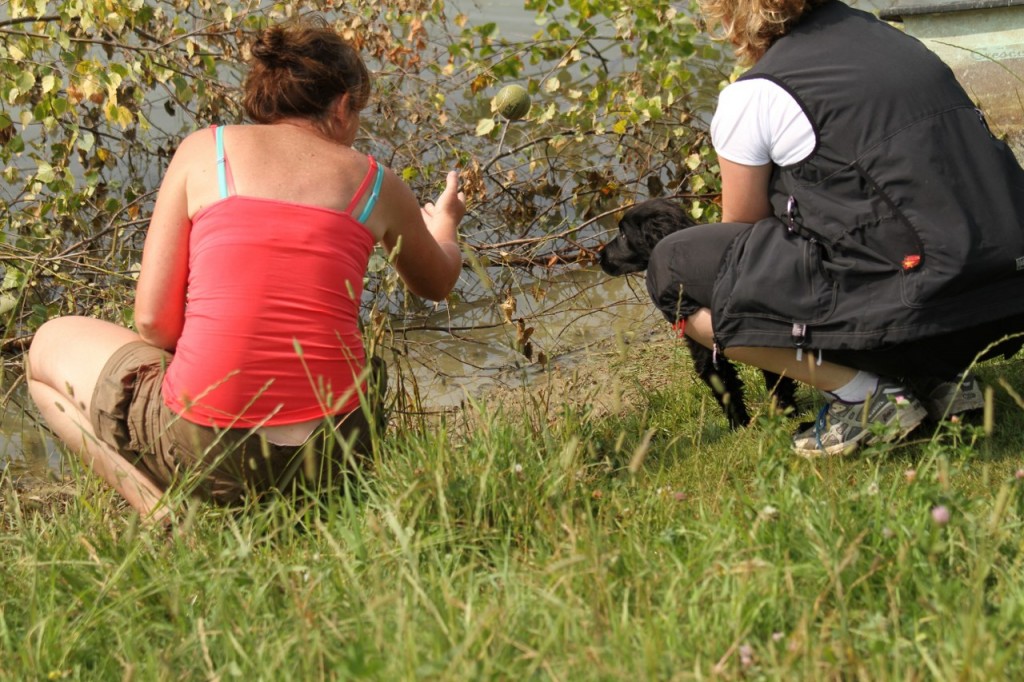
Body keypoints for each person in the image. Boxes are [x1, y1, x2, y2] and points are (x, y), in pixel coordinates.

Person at [26, 15, 465, 523]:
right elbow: (437, 282)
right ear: (343, 106)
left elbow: (152, 324)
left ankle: (157, 510)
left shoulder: (204, 152)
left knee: (46, 348)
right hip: (337, 454)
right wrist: (446, 225)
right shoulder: (376, 183)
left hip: (209, 455)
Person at [644, 0, 1024, 456]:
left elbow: (741, 244)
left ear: (730, 13)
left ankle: (863, 396)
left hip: (920, 305)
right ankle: (936, 378)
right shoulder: (895, 41)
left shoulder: (754, 95)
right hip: (1002, 295)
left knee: (675, 270)